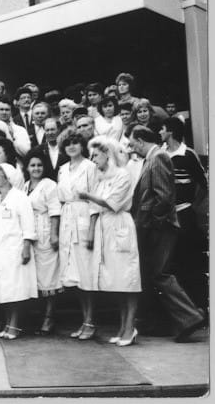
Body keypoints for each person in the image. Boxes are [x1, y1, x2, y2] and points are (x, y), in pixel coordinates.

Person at [127, 126, 206, 342]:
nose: (132, 148)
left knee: (160, 273)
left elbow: (164, 197)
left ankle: (191, 317)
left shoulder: (158, 158)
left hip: (160, 227)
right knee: (158, 273)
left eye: (133, 144)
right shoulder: (153, 158)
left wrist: (154, 224)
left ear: (141, 140)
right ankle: (185, 319)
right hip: (157, 226)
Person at [77, 137, 141, 346]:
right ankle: (123, 327)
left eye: (96, 155)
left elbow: (112, 203)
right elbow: (97, 207)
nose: (93, 159)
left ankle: (130, 326)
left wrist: (87, 195)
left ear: (107, 155)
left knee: (128, 280)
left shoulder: (123, 175)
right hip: (106, 228)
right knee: (116, 281)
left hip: (120, 225)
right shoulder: (102, 178)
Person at [160, 117, 209, 311]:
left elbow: (204, 184)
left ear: (170, 132)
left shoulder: (188, 154)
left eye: (163, 129)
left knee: (190, 261)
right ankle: (182, 310)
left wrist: (192, 206)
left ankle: (199, 306)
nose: (160, 132)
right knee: (173, 263)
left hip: (184, 216)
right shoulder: (160, 154)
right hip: (166, 217)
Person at [56, 133, 99, 340]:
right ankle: (85, 320)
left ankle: (91, 321)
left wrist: (91, 230)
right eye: (68, 144)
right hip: (67, 221)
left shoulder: (90, 167)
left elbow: (95, 200)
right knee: (73, 276)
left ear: (82, 145)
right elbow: (60, 199)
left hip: (83, 220)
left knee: (86, 274)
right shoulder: (62, 169)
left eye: (75, 143)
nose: (72, 146)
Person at [0, 163, 37, 340]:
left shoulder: (20, 197)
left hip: (15, 249)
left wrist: (26, 247)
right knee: (4, 290)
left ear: (8, 177)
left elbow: (28, 225)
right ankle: (8, 324)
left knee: (16, 289)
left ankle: (15, 325)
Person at [23, 149, 61, 335]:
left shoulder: (49, 185)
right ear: (27, 168)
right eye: (32, 165)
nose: (36, 168)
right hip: (31, 232)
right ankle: (36, 317)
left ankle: (49, 317)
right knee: (35, 276)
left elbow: (55, 211)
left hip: (45, 230)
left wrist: (54, 234)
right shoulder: (25, 186)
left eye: (39, 165)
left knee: (49, 276)